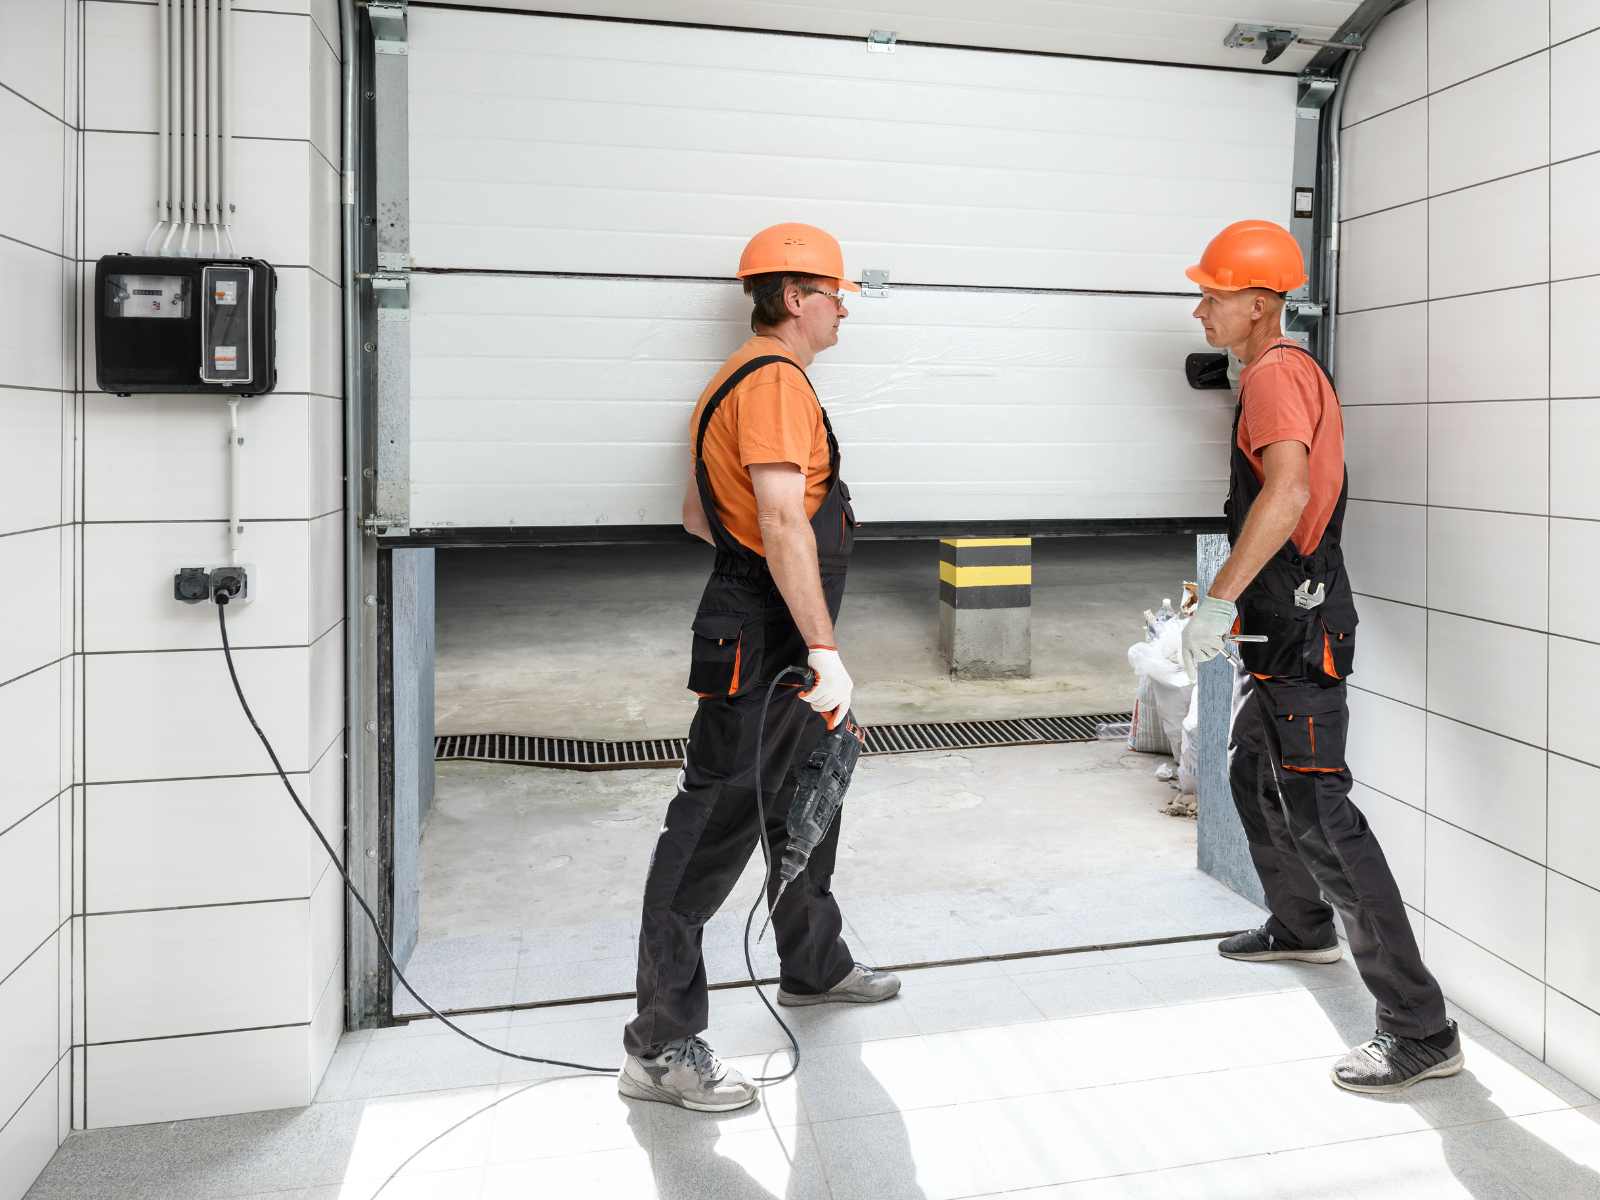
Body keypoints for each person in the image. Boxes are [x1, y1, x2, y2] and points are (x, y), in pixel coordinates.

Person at [618, 223, 901, 1113]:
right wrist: (821, 648)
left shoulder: (744, 382)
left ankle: (814, 966)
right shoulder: (775, 383)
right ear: (792, 298)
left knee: (804, 802)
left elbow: (701, 517)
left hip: (764, 625)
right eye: (833, 292)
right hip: (762, 640)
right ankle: (660, 1046)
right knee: (712, 831)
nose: (843, 306)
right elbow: (779, 524)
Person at [1180, 220, 1463, 1094]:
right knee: (1247, 770)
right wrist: (1230, 599)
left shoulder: (1273, 375)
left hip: (1299, 626)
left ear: (1260, 303)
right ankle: (1300, 923)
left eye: (1214, 294)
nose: (1200, 309)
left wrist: (1221, 592)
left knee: (1321, 814)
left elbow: (1291, 490)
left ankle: (1419, 1026)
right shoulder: (1273, 372)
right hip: (1283, 621)